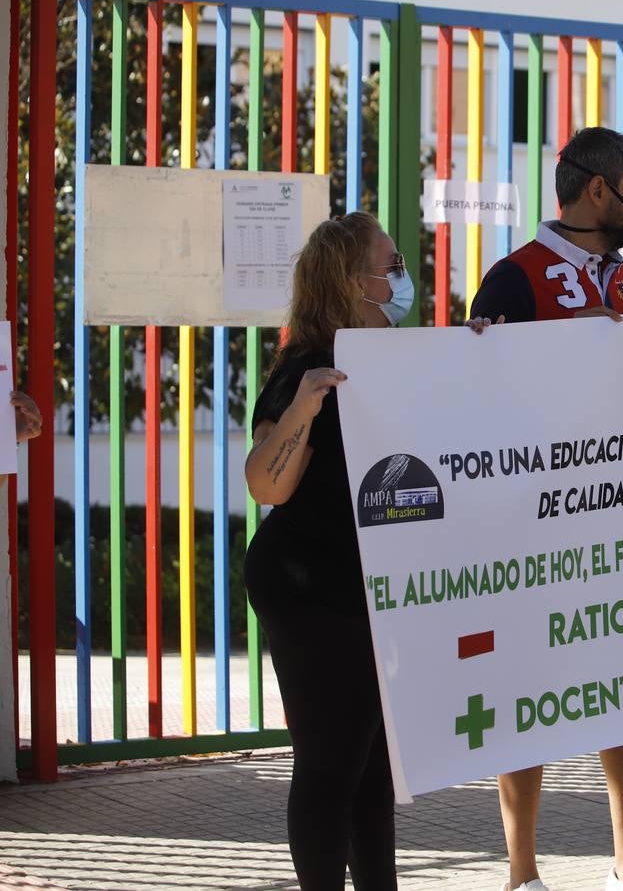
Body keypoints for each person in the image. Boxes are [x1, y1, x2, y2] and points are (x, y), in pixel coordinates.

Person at [469, 128, 623, 891]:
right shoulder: (514, 277)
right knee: (527, 691)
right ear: (597, 190)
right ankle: (522, 874)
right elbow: (481, 396)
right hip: (536, 527)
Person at [242, 211, 420, 889]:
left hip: (368, 586)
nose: (402, 276)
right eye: (391, 265)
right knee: (330, 762)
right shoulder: (311, 367)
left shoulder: (397, 356)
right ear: (354, 282)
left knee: (371, 765)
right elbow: (265, 484)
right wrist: (303, 412)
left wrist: (475, 355)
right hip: (310, 586)